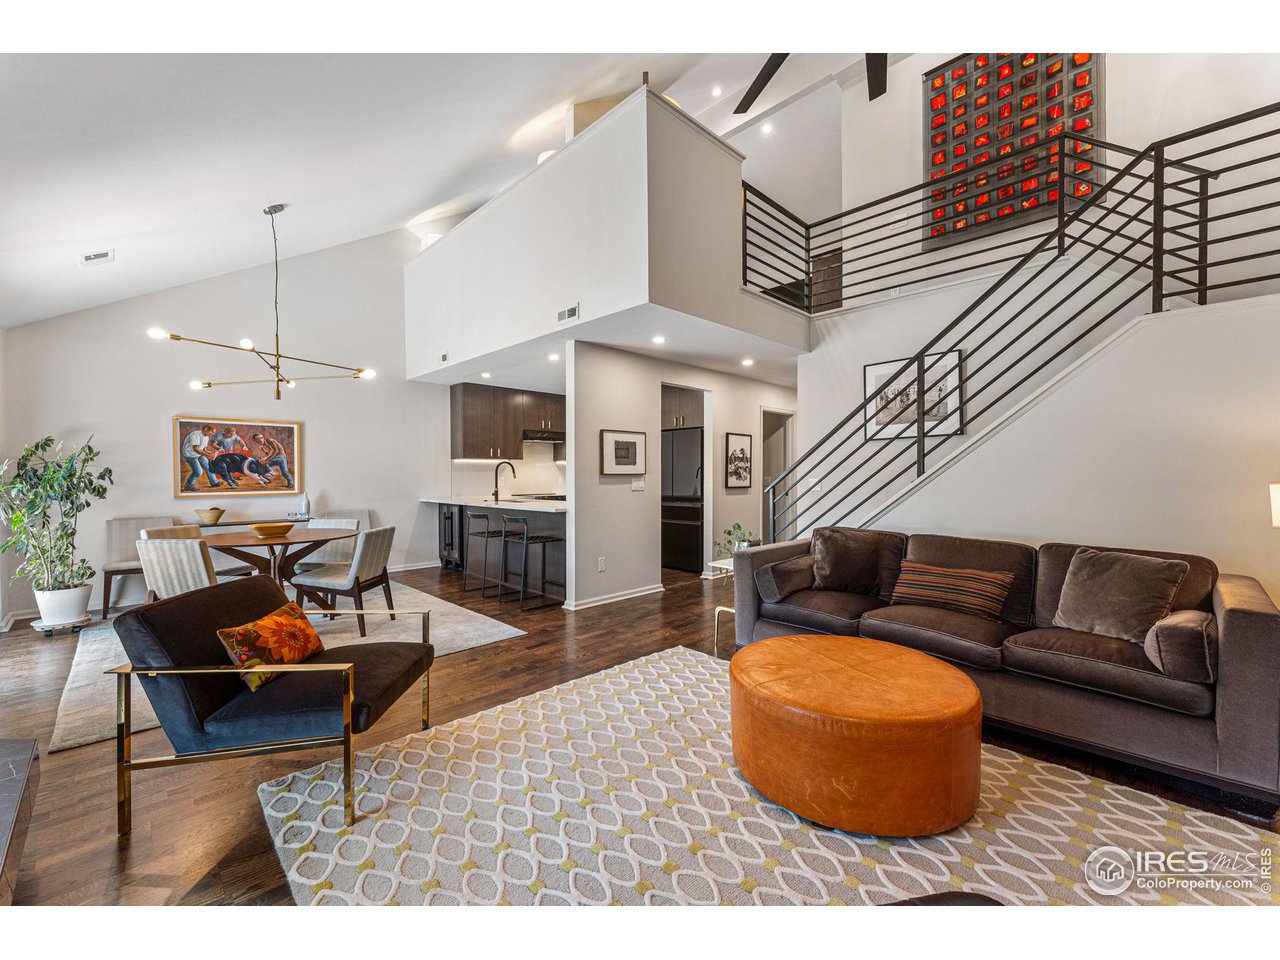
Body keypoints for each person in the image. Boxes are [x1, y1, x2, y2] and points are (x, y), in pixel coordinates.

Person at [181, 424, 221, 491]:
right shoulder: (195, 434)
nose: (212, 434)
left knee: (209, 467)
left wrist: (211, 453)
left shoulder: (206, 437)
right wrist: (208, 455)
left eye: (213, 432)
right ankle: (188, 485)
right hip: (190, 455)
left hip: (198, 454)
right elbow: (196, 449)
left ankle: (214, 483)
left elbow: (204, 449)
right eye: (212, 431)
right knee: (198, 472)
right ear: (206, 429)